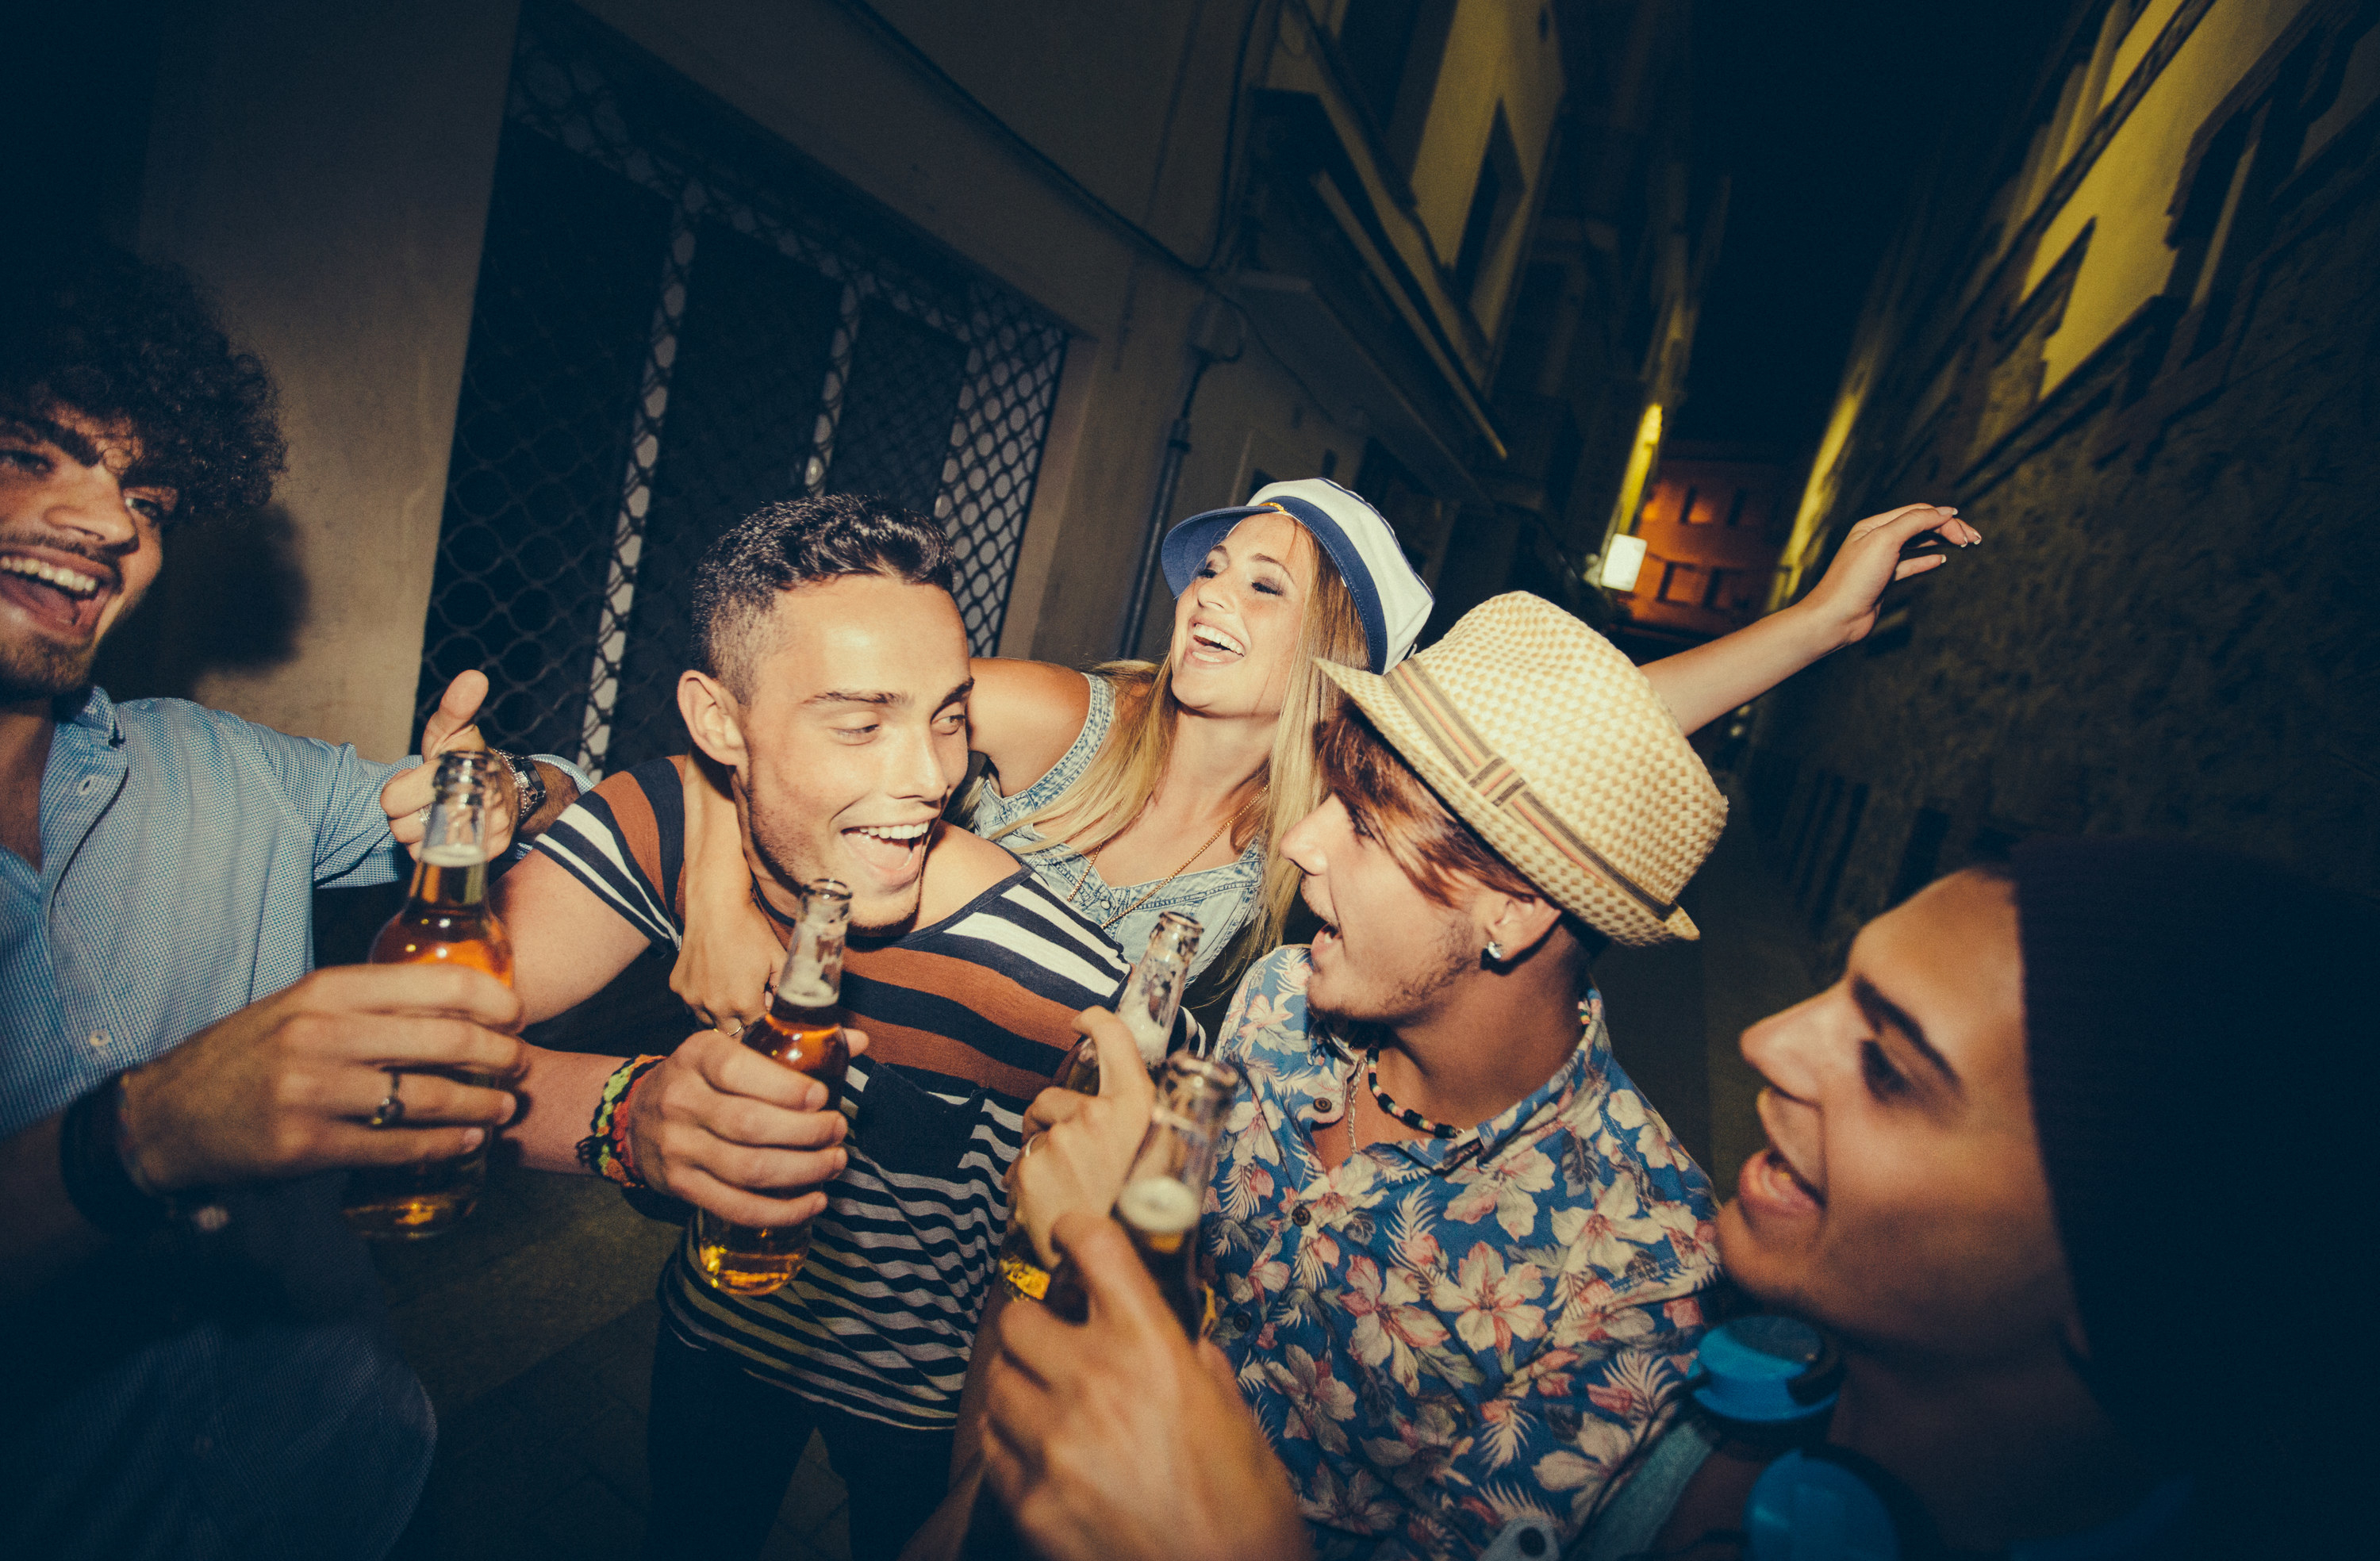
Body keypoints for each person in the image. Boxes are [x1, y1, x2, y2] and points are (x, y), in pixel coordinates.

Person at [973, 841, 2370, 1559]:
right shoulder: (1730, 1415)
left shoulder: (1637, 1276)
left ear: (2126, 1283)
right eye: (1839, 986)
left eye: (1889, 1066)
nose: (1768, 1040)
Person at [962, 591, 1756, 1559]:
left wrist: (1098, 1239)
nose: (1300, 842)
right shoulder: (1277, 1001)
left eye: (1367, 825)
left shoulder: (1642, 1269)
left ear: (1513, 911)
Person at [0, 247, 582, 1559]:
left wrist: (500, 790)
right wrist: (138, 1138)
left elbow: (560, 788)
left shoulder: (221, 772)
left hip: (356, 1476)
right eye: (33, 452)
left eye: (143, 492)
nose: (104, 523)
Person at [670, 479, 1980, 1023]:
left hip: (1008, 1270)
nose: (1210, 600)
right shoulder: (1056, 719)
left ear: (1336, 655)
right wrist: (717, 899)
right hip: (816, 1138)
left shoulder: (1311, 854)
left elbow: (1594, 730)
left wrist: (1819, 623)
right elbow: (767, 739)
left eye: (1265, 589)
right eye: (1212, 571)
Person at [489, 495, 1136, 1561]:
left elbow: (1081, 1275)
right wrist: (631, 1114)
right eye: (861, 721)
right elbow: (403, 1045)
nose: (933, 777)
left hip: (923, 1404)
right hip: (713, 1336)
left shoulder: (1055, 980)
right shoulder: (664, 825)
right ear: (718, 725)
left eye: (948, 715)